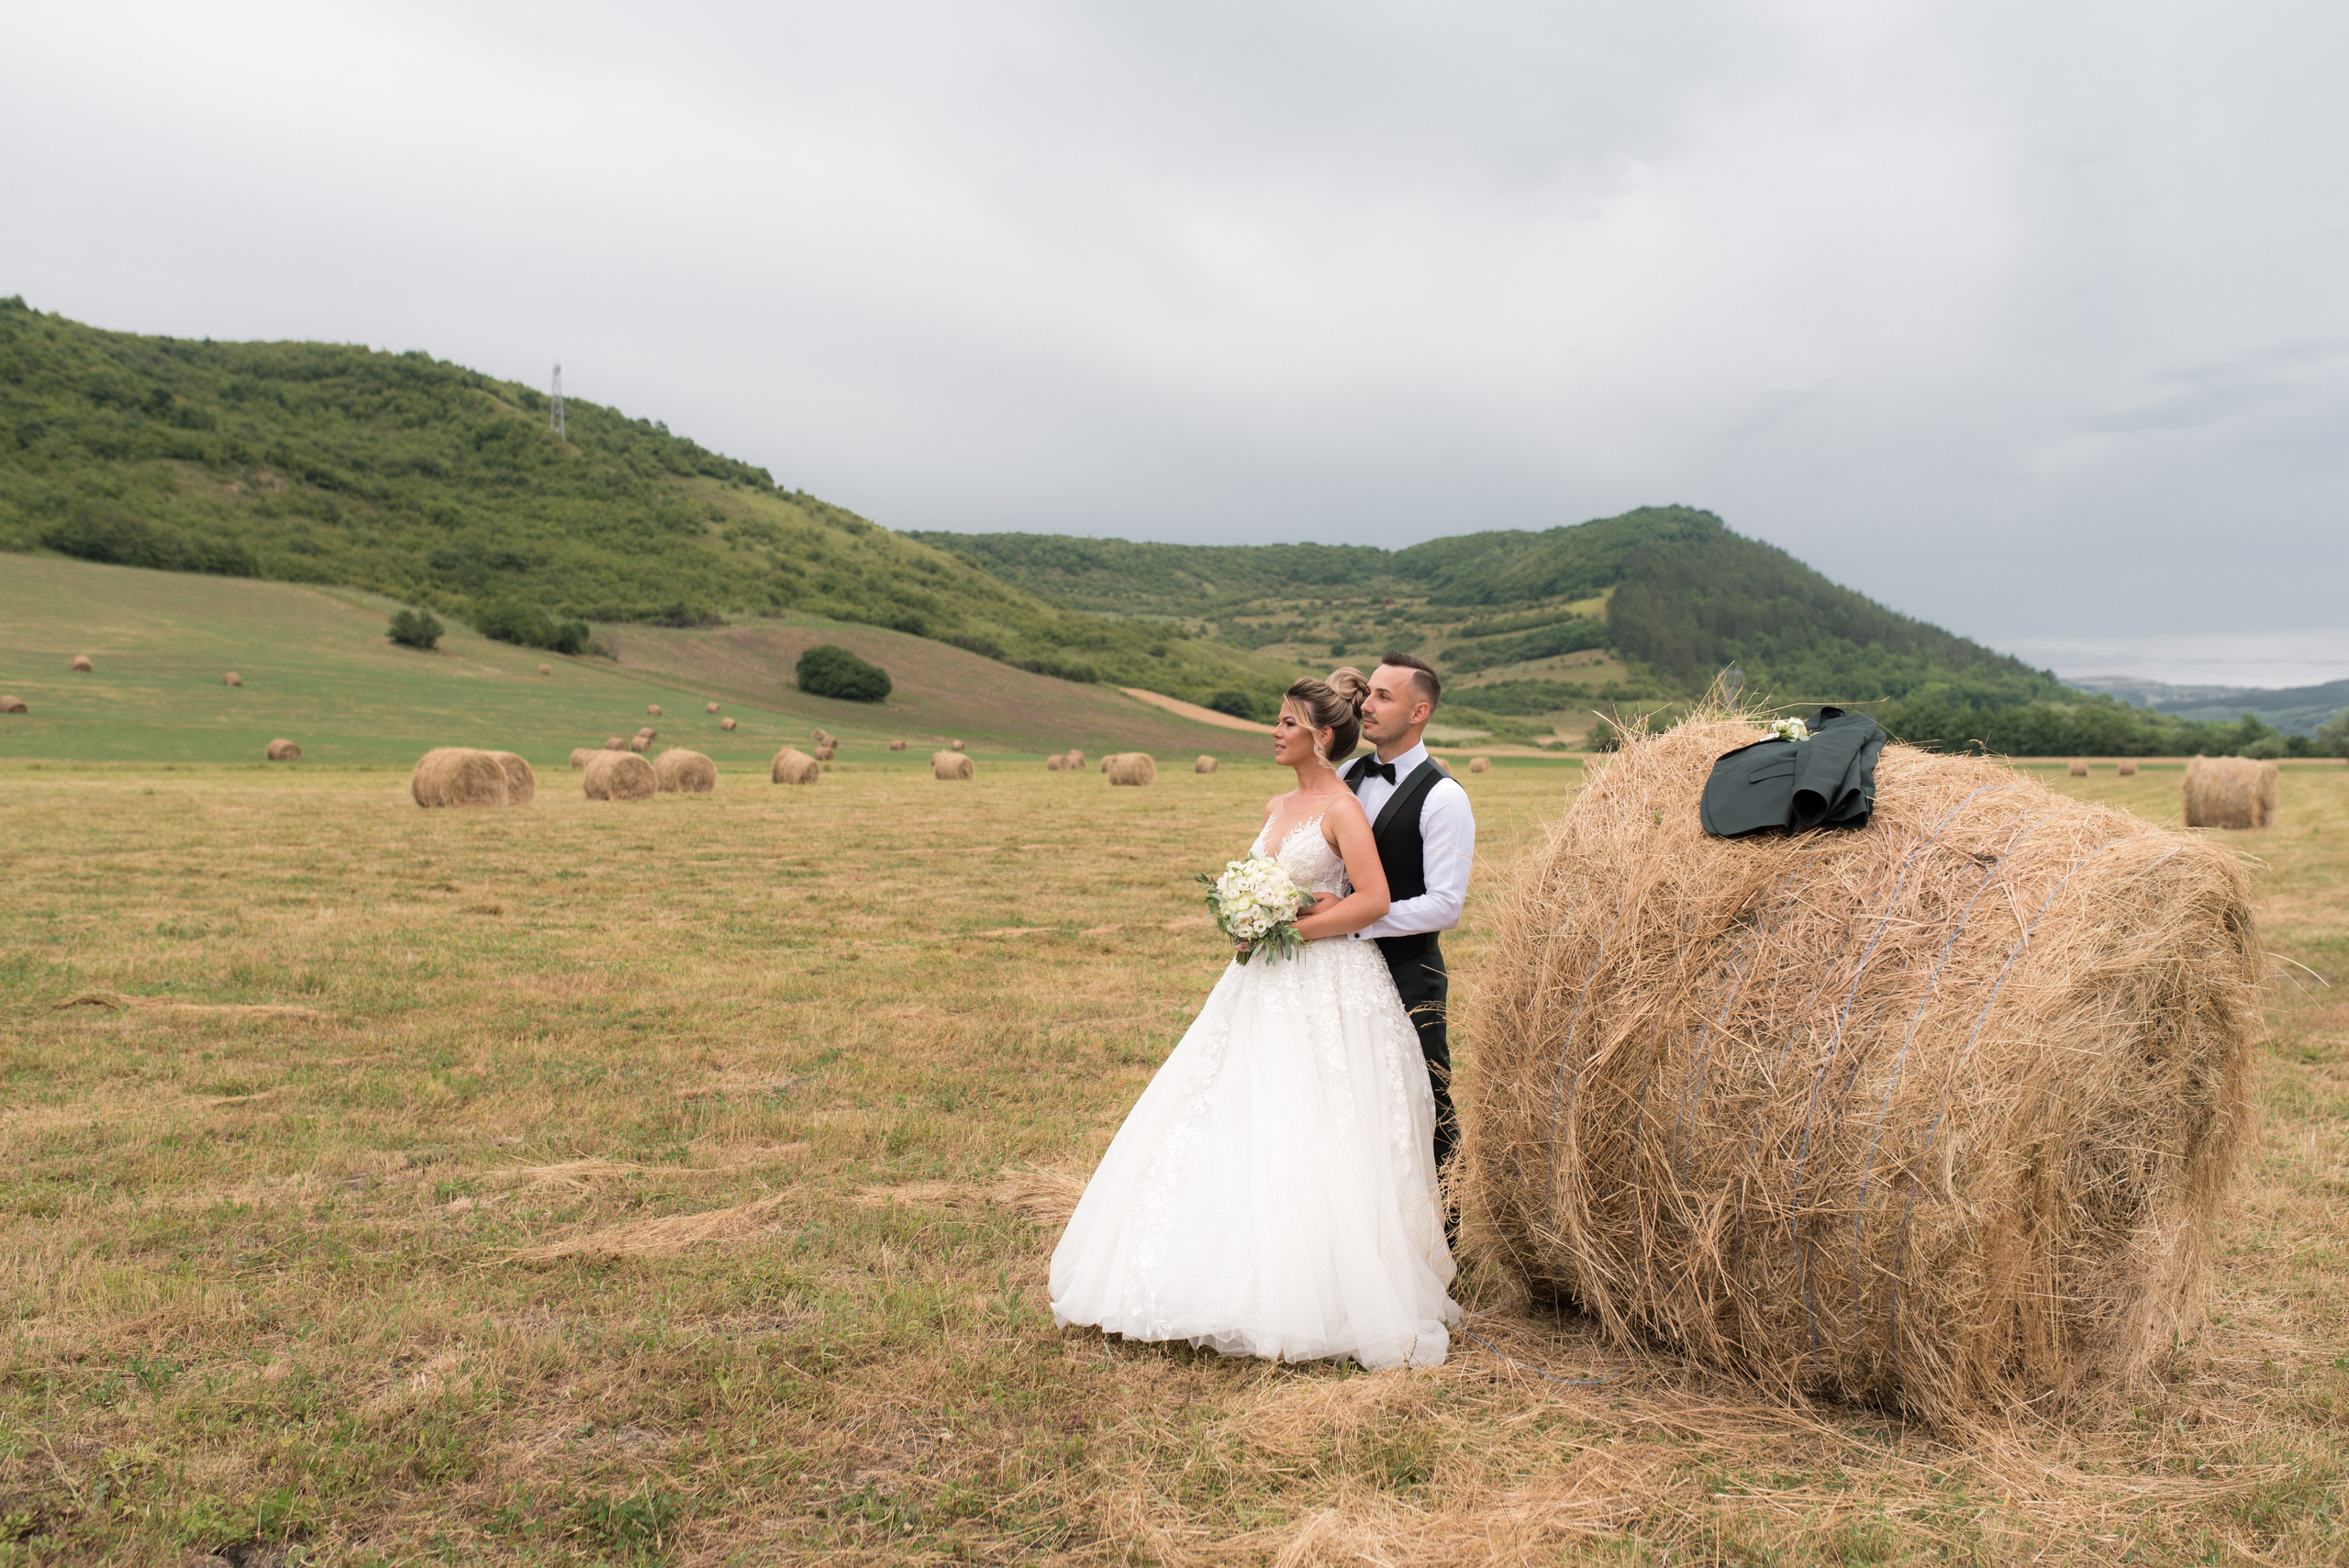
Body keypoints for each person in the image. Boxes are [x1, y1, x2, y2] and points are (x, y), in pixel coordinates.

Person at [1049, 670, 1460, 1370]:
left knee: (1309, 1119)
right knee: (1232, 1109)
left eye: (1287, 723)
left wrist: (1294, 930)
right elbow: (1266, 876)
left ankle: (1318, 1286)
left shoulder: (1343, 807)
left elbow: (1373, 898)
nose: (1274, 731)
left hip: (1324, 975)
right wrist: (1248, 916)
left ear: (1321, 736)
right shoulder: (1278, 802)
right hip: (1261, 982)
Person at [1341, 654, 1475, 1203]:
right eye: (1368, 693)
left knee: (1424, 1099)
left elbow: (1445, 905)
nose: (1366, 705)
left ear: (1419, 712)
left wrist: (1351, 924)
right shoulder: (1350, 776)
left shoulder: (1445, 796)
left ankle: (1446, 1231)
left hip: (1407, 974)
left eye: (1383, 697)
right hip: (1339, 972)